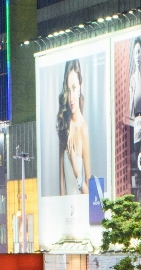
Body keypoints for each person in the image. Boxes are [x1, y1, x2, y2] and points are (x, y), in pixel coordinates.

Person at [57, 59, 92, 196]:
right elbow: (61, 183)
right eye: (68, 90)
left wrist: (75, 167)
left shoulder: (83, 129)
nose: (71, 98)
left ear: (80, 86)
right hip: (64, 212)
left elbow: (89, 193)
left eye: (74, 88)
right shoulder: (64, 126)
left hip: (81, 211)